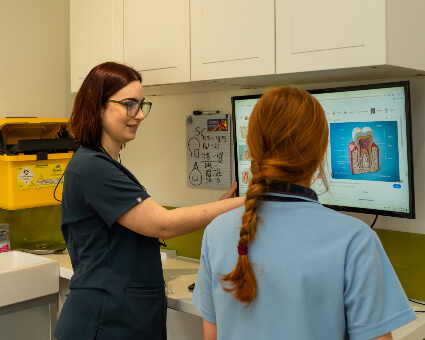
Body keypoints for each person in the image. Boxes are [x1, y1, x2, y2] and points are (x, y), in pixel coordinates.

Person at [192, 86, 416, 340]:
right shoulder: (356, 240)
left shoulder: (216, 233)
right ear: (322, 151)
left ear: (252, 150)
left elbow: (212, 336)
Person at [54, 61, 244, 340]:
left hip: (122, 316)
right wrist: (250, 201)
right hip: (103, 321)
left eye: (142, 105)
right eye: (130, 104)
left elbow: (146, 223)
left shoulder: (104, 164)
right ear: (98, 107)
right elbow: (162, 224)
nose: (140, 115)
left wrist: (220, 206)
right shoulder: (92, 167)